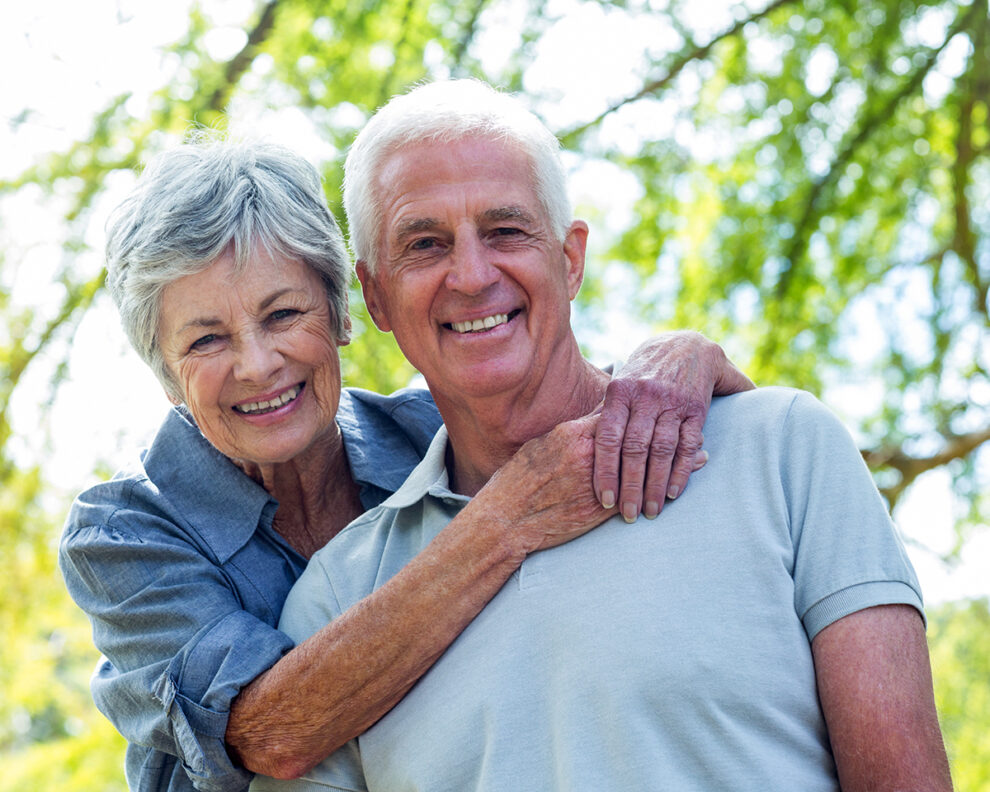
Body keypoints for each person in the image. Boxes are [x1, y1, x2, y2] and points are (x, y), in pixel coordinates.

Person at [253, 79, 953, 792]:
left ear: (571, 258)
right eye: (425, 244)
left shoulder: (782, 452)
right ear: (375, 297)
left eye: (505, 231)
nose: (470, 275)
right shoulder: (336, 601)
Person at [58, 137, 754, 792]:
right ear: (167, 374)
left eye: (282, 315)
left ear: (343, 315)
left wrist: (679, 359)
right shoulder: (122, 533)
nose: (257, 365)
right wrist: (506, 518)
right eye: (207, 340)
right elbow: (270, 735)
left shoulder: (430, 431)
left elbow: (602, 414)